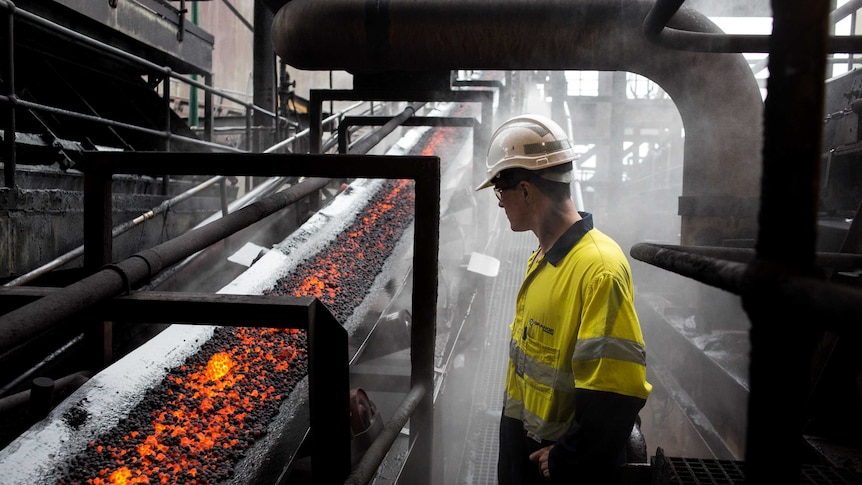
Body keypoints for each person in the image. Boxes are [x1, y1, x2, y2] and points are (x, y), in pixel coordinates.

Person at [476, 114, 652, 484]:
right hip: (525, 450)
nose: (499, 203)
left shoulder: (597, 268)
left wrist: (568, 458)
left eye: (500, 191)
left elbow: (617, 393)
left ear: (525, 190)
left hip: (559, 469)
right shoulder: (544, 256)